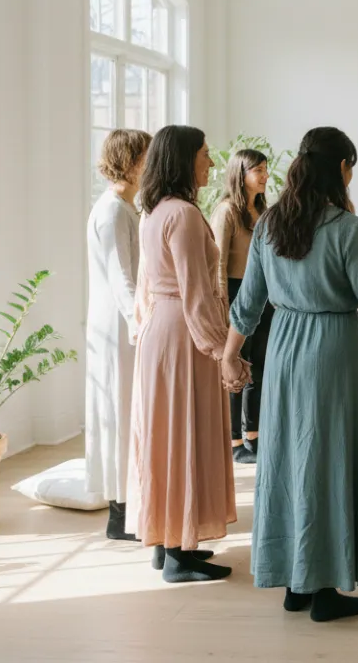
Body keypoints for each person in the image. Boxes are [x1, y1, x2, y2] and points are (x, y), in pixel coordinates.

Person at [223, 127, 358, 622]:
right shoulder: (347, 228)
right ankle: (324, 589)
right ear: (341, 168)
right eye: (351, 169)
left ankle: (295, 582)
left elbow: (248, 303)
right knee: (331, 462)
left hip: (283, 353)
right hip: (334, 350)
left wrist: (230, 355)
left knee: (289, 461)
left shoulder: (270, 224)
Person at [128, 124, 237, 583]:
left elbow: (146, 290)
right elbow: (196, 295)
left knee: (165, 435)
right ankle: (176, 554)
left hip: (161, 332)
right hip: (183, 336)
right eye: (205, 155)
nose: (211, 163)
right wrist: (222, 350)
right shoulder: (186, 216)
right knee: (182, 434)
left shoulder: (153, 213)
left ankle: (168, 543)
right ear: (184, 160)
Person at [85, 129, 151, 541]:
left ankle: (129, 505)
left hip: (124, 322)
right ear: (129, 161)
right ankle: (120, 512)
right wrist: (141, 326)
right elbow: (121, 277)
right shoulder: (112, 211)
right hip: (118, 326)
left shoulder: (127, 208)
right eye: (146, 157)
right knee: (121, 411)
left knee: (128, 410)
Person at [210, 149, 273, 465]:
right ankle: (234, 440)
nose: (264, 176)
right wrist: (223, 306)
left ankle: (253, 435)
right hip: (235, 294)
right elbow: (218, 262)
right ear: (240, 173)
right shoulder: (226, 211)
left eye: (265, 169)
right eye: (257, 170)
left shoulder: (263, 212)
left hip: (263, 296)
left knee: (260, 367)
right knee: (236, 366)